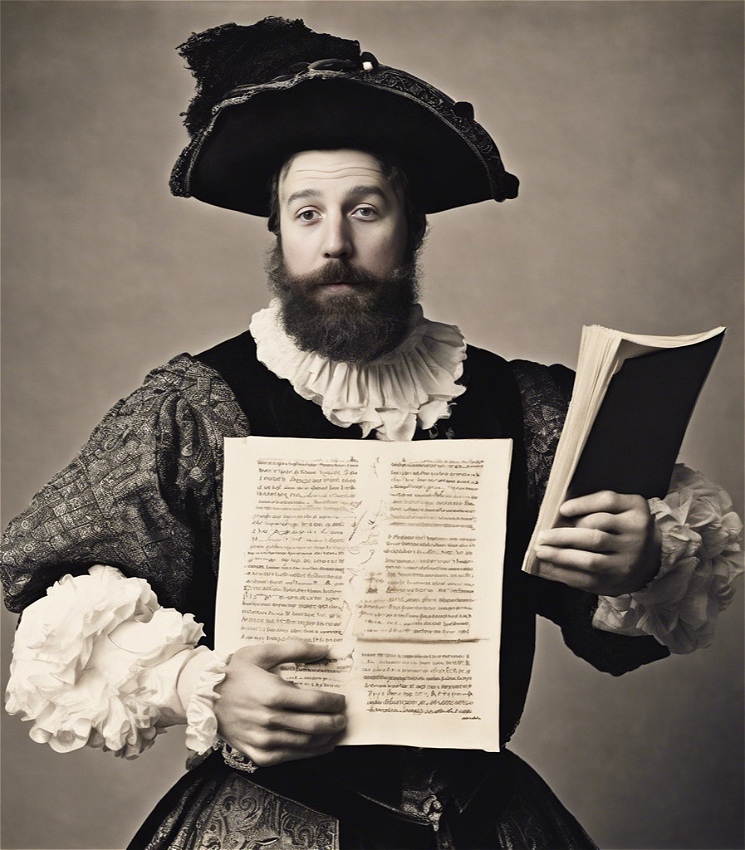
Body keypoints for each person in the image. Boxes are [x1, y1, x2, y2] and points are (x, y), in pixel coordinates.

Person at [2, 16, 742, 850]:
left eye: (366, 210)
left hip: (484, 821)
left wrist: (641, 554)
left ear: (412, 227)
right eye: (307, 213)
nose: (336, 244)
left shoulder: (515, 403)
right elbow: (52, 597)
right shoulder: (198, 406)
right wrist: (190, 682)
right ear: (277, 235)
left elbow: (639, 574)